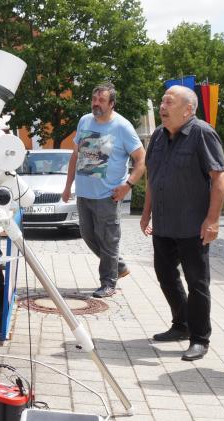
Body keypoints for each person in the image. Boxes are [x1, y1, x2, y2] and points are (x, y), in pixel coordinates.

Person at [140, 85, 224, 361]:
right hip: (164, 224)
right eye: (162, 101)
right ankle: (181, 324)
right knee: (165, 274)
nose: (163, 107)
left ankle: (200, 337)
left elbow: (219, 178)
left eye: (169, 102)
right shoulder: (157, 136)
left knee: (197, 282)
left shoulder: (202, 133)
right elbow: (152, 177)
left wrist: (212, 220)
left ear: (188, 109)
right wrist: (146, 214)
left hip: (193, 225)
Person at [61, 82, 145, 298]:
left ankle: (108, 282)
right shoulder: (85, 121)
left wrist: (128, 185)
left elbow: (141, 159)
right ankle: (119, 266)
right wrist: (68, 186)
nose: (96, 104)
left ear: (112, 104)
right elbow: (75, 155)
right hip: (84, 193)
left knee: (109, 240)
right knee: (88, 235)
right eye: (94, 99)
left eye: (101, 100)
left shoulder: (122, 127)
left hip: (108, 196)